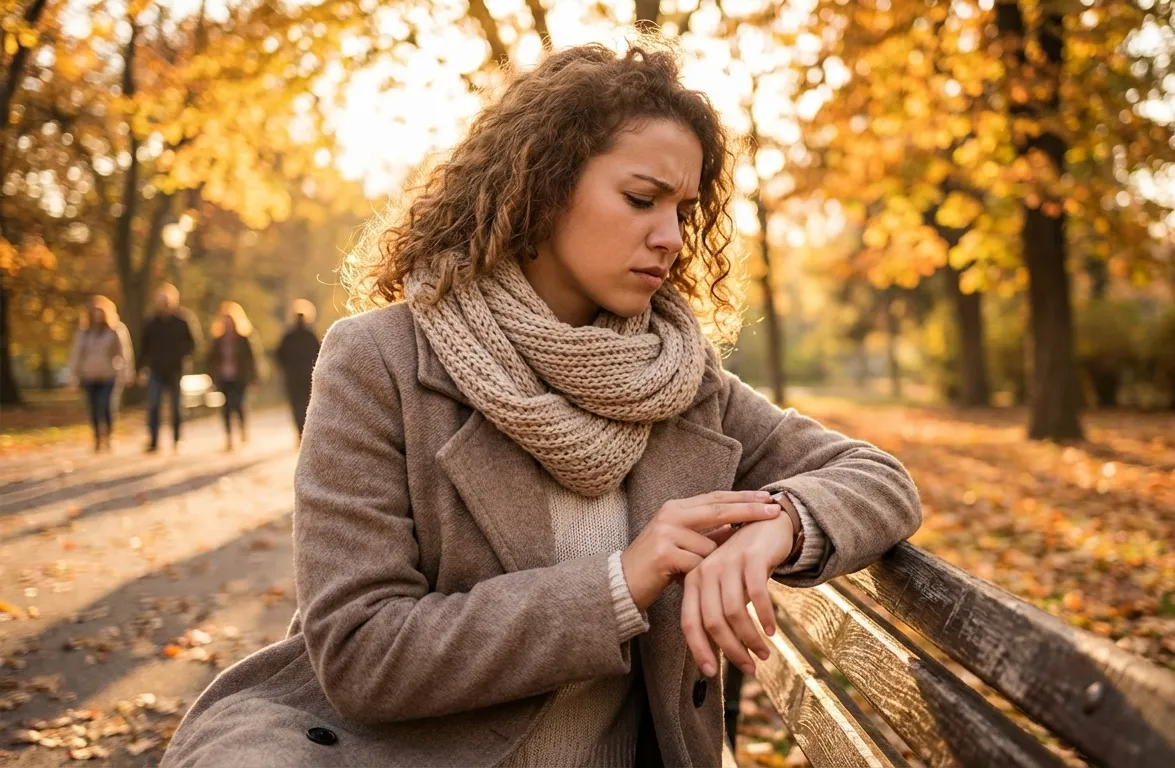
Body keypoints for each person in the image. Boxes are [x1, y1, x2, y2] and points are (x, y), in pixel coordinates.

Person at [163, 40, 922, 768]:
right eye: (641, 199)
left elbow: (879, 479)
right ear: (542, 186)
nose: (670, 237)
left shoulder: (680, 380)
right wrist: (618, 585)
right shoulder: (379, 360)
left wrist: (783, 524)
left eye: (683, 211)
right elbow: (363, 651)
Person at [139, 284, 199, 453]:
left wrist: (181, 356)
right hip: (156, 369)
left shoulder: (182, 320)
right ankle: (153, 441)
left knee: (176, 406)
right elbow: (144, 347)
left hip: (175, 369)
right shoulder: (151, 322)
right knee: (154, 405)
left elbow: (193, 344)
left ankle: (177, 439)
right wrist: (141, 367)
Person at [67, 297, 133, 451]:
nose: (97, 316)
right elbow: (76, 354)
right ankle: (97, 438)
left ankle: (109, 436)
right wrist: (72, 375)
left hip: (109, 376)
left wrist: (127, 372)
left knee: (106, 406)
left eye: (100, 313)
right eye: (95, 313)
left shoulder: (115, 330)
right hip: (88, 376)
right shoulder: (84, 332)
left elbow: (124, 352)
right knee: (93, 409)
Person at [205, 301, 262, 451]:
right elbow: (210, 359)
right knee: (226, 408)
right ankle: (229, 437)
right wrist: (212, 376)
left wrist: (255, 377)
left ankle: (243, 430)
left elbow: (252, 359)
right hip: (223, 377)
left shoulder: (243, 339)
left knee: (239, 404)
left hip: (240, 377)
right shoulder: (218, 340)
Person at [275, 299, 321, 442]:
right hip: (308, 375)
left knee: (296, 405)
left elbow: (279, 354)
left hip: (293, 376)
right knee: (309, 404)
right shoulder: (311, 335)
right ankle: (307, 431)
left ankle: (300, 432)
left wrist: (286, 368)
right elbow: (319, 354)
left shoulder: (288, 336)